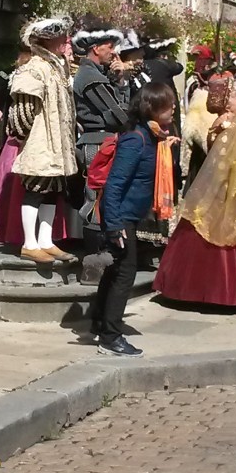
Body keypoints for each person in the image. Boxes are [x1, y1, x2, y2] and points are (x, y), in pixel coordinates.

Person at [154, 74, 236, 308]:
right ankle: (219, 291)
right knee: (219, 231)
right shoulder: (228, 122)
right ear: (227, 101)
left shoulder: (223, 121)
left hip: (219, 182)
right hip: (224, 185)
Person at [93, 83, 178, 357]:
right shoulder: (136, 139)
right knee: (125, 273)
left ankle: (100, 321)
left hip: (129, 215)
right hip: (121, 217)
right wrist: (115, 225)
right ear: (152, 108)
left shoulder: (152, 136)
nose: (174, 108)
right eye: (168, 104)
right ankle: (111, 337)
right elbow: (116, 184)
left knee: (117, 269)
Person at [6, 17, 78, 264]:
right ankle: (29, 243)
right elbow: (23, 108)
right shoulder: (35, 67)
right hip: (41, 139)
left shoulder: (57, 67)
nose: (64, 42)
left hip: (56, 141)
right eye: (59, 38)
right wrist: (23, 135)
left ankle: (45, 241)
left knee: (52, 191)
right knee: (35, 189)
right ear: (45, 41)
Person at [72, 22, 128, 258]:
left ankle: (102, 253)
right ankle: (93, 258)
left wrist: (120, 81)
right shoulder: (89, 75)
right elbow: (118, 114)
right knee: (96, 196)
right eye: (109, 46)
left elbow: (118, 111)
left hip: (105, 140)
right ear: (95, 48)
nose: (113, 52)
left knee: (105, 194)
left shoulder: (98, 75)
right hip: (96, 143)